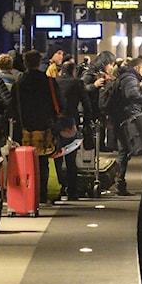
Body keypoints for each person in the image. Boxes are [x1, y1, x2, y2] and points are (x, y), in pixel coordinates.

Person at [12, 49, 61, 205]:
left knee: (24, 162)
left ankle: (27, 194)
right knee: (43, 162)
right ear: (39, 63)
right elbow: (59, 104)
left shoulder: (18, 84)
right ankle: (42, 195)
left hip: (24, 127)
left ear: (25, 63)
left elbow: (12, 107)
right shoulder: (49, 82)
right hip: (45, 126)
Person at [107, 56, 142, 196]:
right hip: (127, 118)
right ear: (137, 68)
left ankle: (120, 183)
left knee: (124, 150)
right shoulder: (131, 79)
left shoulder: (124, 77)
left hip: (120, 117)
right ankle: (120, 182)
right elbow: (132, 94)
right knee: (127, 150)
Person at [54, 60, 92, 201]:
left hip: (56, 122)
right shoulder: (77, 83)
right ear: (74, 71)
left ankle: (58, 188)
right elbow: (86, 104)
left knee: (57, 157)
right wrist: (87, 121)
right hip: (71, 122)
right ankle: (72, 191)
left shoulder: (54, 82)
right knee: (71, 159)